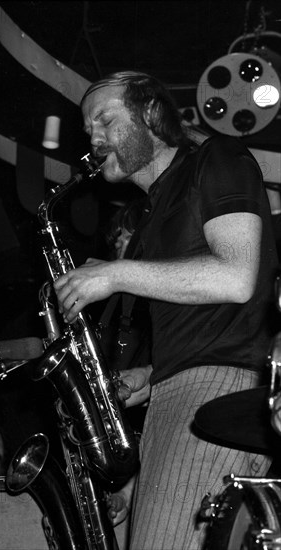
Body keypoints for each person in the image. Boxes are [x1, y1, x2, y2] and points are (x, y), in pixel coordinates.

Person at [53, 71, 279, 550]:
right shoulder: (153, 212)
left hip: (217, 388)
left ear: (152, 115)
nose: (93, 138)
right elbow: (215, 318)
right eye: (88, 128)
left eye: (105, 120)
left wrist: (114, 274)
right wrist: (153, 377)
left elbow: (236, 277)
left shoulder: (217, 159)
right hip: (178, 394)